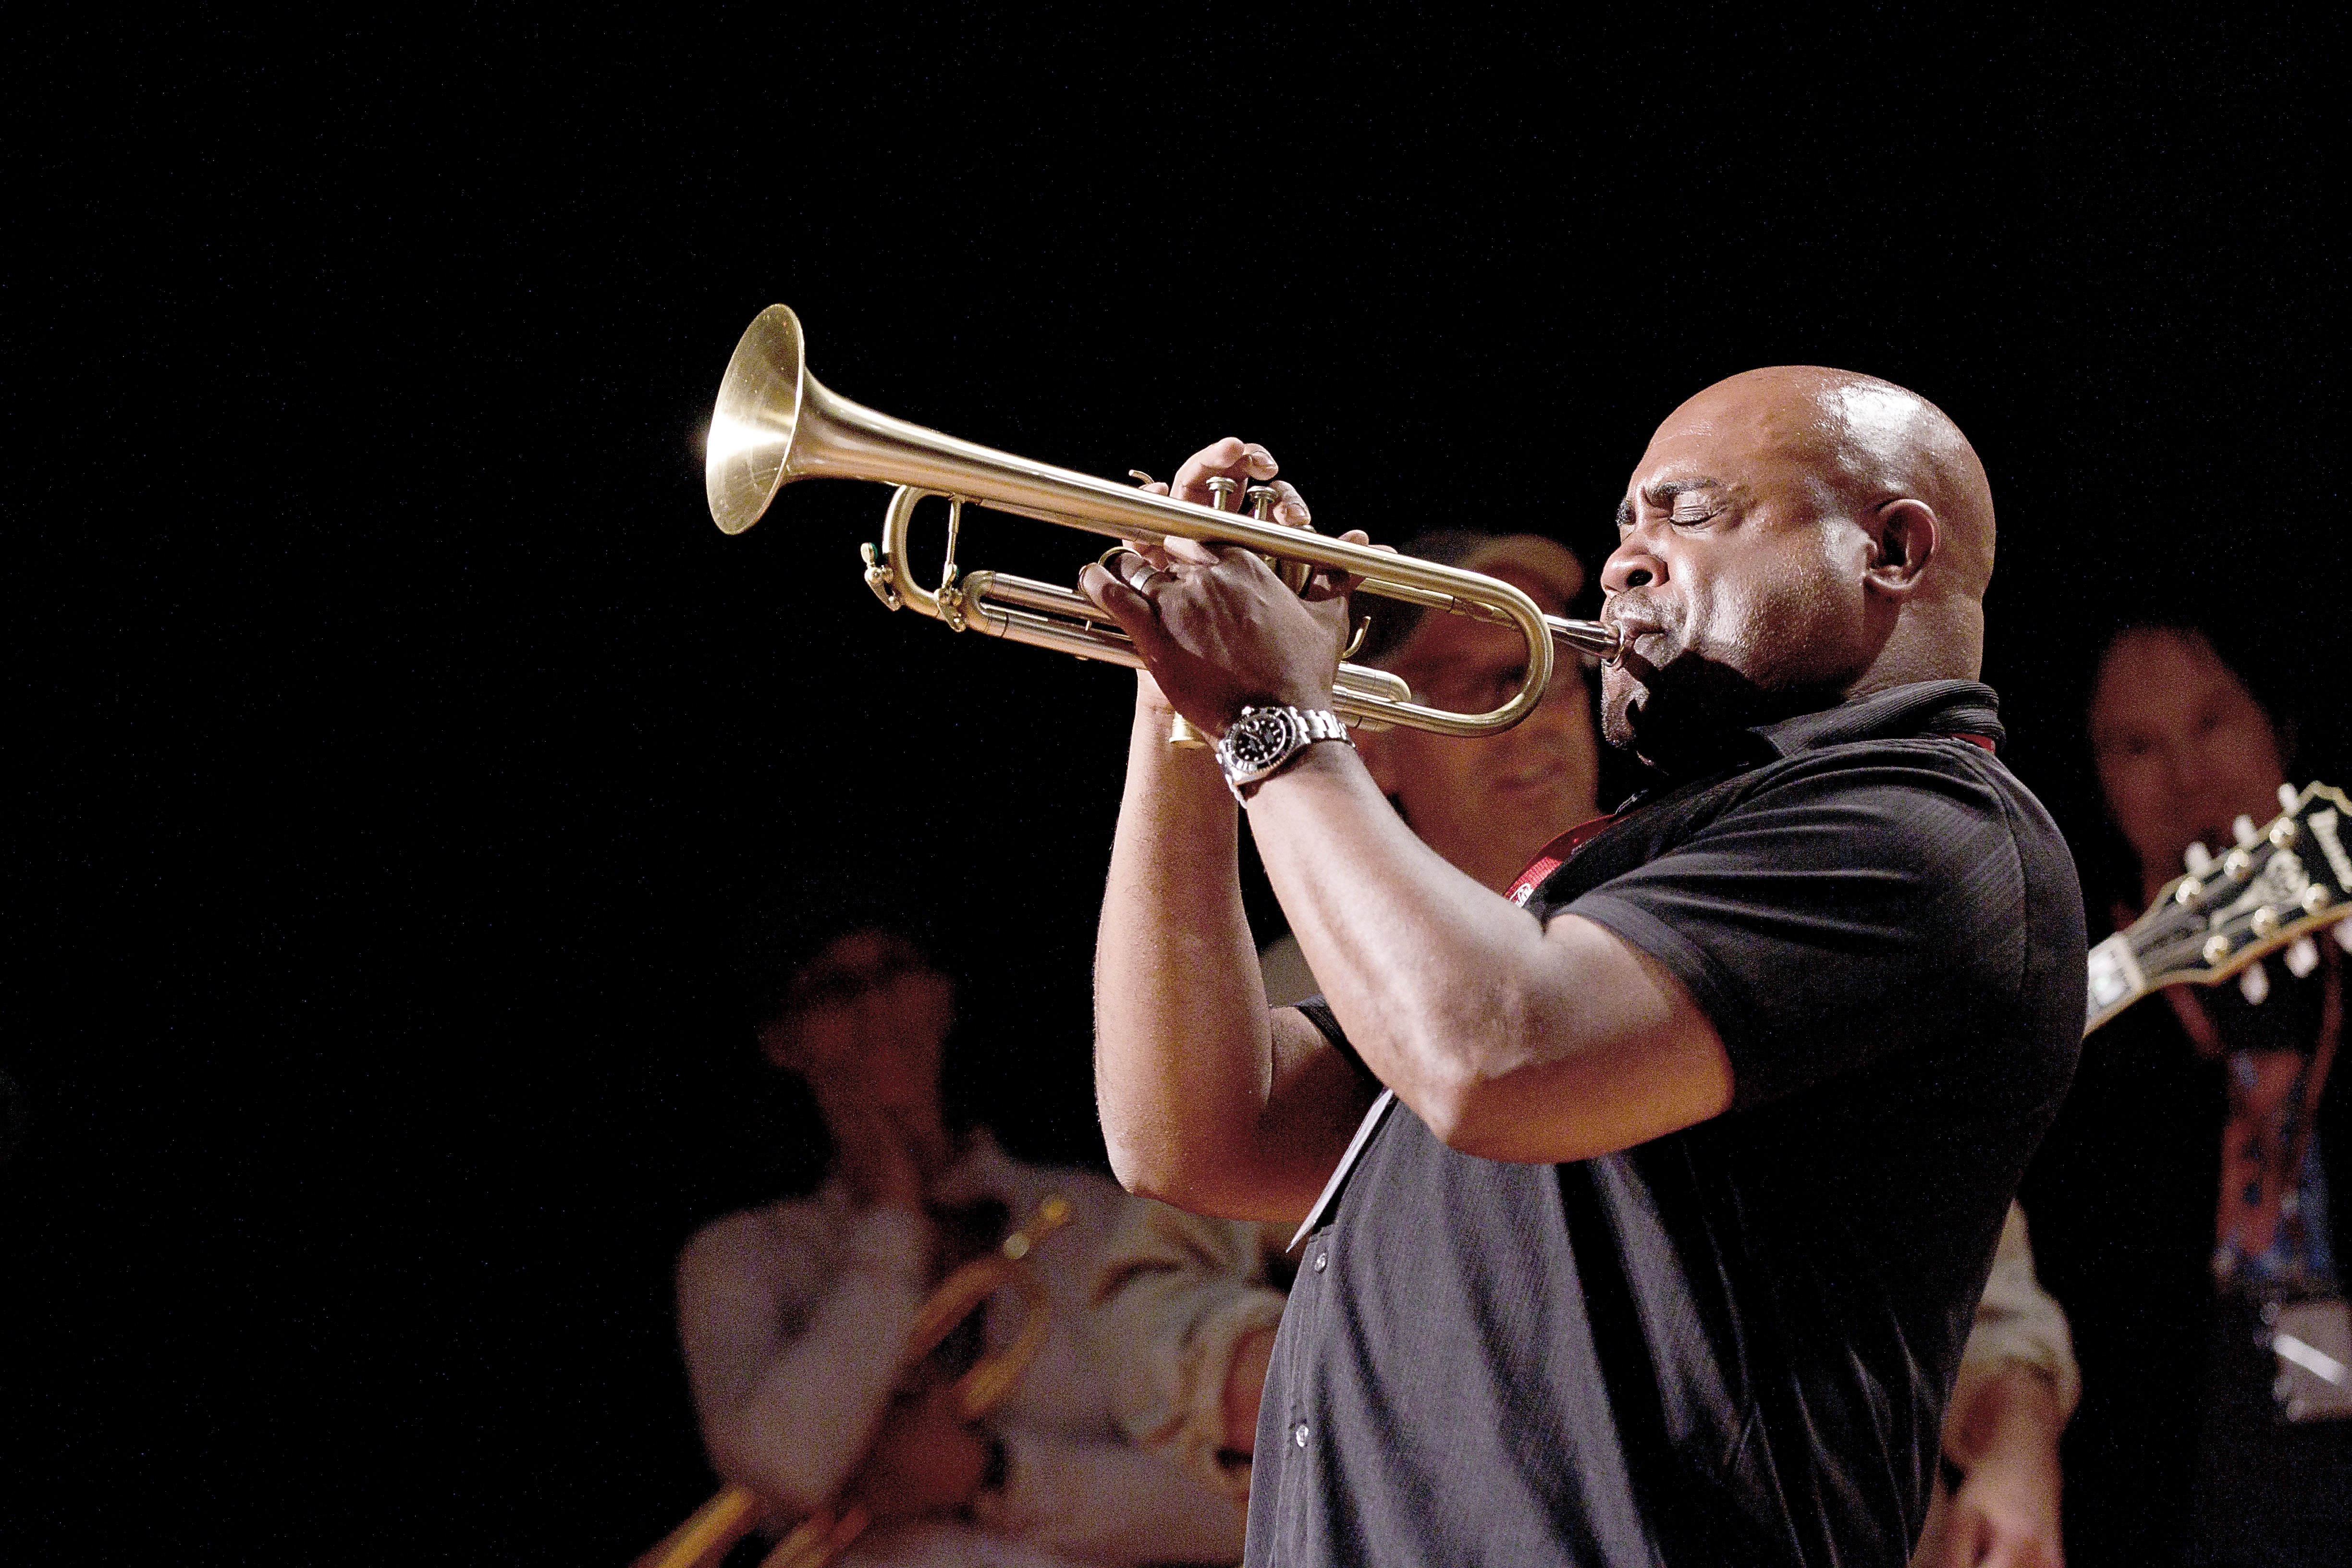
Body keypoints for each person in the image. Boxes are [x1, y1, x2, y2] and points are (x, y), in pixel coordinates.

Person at [1077, 367, 2087, 1566]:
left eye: (1688, 514)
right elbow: (1198, 1136)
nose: (1623, 564)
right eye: (1624, 524)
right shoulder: (1629, 870)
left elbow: (1491, 1056)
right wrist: (1179, 707)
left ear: (1893, 549)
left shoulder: (1928, 827)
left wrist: (1270, 716)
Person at [673, 919, 1245, 1568]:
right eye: (832, 990)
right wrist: (891, 1227)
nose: (874, 1007)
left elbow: (1234, 1509)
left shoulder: (1090, 1216)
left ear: (942, 996)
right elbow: (785, 1468)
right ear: (782, 1040)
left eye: (895, 970)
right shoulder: (737, 1258)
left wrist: (992, 1472)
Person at [2018, 620, 2352, 1568]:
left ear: (2280, 730)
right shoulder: (2065, 1014)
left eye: (2213, 723)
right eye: (2136, 746)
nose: (2186, 776)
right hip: (2159, 1485)